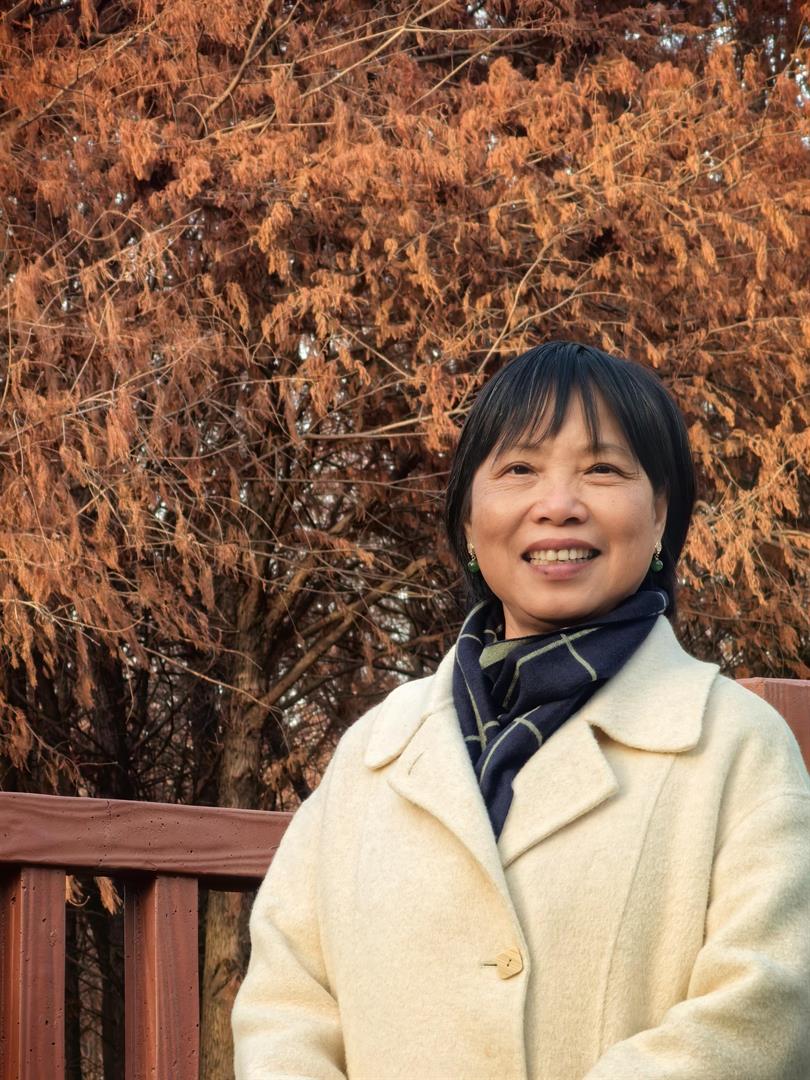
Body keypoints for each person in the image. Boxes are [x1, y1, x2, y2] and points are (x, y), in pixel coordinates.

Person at [231, 341, 810, 1079]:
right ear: (470, 521)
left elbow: (765, 1005)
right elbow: (285, 1004)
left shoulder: (736, 744)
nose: (559, 504)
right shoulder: (375, 750)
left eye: (603, 470)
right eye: (519, 470)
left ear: (661, 512)